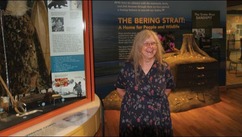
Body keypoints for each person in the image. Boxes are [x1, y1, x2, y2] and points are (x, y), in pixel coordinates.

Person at [115, 29, 176, 137]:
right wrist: (134, 102)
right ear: (138, 47)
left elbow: (169, 87)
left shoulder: (164, 67)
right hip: (132, 118)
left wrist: (156, 102)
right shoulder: (128, 68)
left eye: (153, 43)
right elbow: (120, 88)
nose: (150, 47)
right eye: (146, 43)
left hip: (158, 118)